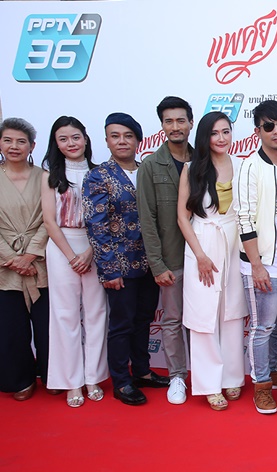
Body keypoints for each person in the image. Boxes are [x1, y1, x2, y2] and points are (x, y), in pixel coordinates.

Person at [83, 113, 170, 406]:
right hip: (119, 265)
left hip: (150, 264)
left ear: (138, 140)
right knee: (121, 324)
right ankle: (121, 381)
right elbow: (96, 226)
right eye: (115, 136)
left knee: (144, 319)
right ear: (107, 140)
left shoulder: (146, 170)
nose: (122, 141)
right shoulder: (99, 176)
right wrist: (109, 269)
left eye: (128, 136)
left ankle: (142, 371)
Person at [177, 112, 247, 411]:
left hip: (235, 244)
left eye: (226, 132)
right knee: (204, 316)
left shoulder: (243, 165)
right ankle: (208, 384)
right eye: (215, 133)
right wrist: (200, 255)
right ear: (204, 136)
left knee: (232, 312)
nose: (221, 138)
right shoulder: (191, 169)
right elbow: (182, 216)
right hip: (203, 241)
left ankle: (232, 377)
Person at [233, 99, 277, 414]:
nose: (276, 131)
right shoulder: (250, 166)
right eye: (268, 126)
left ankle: (276, 370)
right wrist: (256, 266)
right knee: (263, 328)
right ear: (257, 131)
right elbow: (244, 218)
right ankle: (261, 385)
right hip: (262, 264)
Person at [42, 116, 109, 407]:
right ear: (56, 144)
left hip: (96, 245)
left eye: (75, 137)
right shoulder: (50, 176)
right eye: (63, 139)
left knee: (97, 313)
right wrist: (72, 257)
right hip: (62, 247)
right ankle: (71, 381)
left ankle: (93, 377)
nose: (71, 143)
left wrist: (91, 251)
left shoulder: (100, 172)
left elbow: (106, 219)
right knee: (65, 315)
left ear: (85, 138)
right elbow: (49, 221)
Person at [136, 96, 194, 405]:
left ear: (190, 123)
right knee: (172, 321)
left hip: (203, 258)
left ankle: (205, 374)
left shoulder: (203, 160)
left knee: (202, 320)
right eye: (169, 121)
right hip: (171, 259)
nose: (175, 126)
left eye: (180, 120)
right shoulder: (150, 165)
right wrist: (157, 264)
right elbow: (147, 218)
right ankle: (177, 377)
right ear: (162, 126)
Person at [0, 118, 49, 401]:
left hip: (40, 262)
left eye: (21, 141)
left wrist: (30, 254)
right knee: (11, 328)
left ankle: (51, 374)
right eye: (8, 140)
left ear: (32, 146)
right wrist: (12, 258)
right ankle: (20, 380)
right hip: (5, 266)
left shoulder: (45, 177)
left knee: (46, 325)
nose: (14, 146)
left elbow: (49, 220)